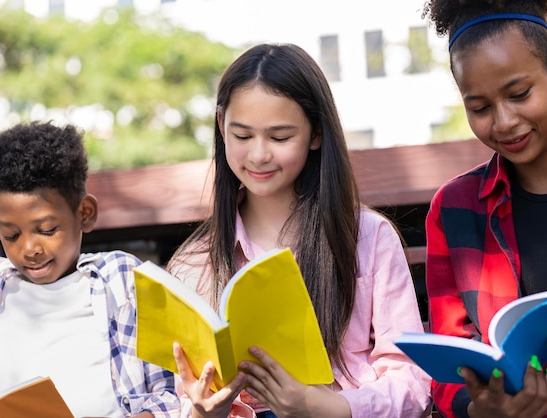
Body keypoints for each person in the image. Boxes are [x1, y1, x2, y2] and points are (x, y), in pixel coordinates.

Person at [166, 43, 432, 418]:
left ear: (316, 134)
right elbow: (183, 397)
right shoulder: (195, 263)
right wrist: (203, 412)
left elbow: (413, 378)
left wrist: (332, 408)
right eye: (242, 136)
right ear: (221, 126)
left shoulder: (367, 238)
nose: (258, 155)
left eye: (279, 137)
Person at [421, 0, 547, 417]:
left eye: (519, 94)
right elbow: (451, 363)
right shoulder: (455, 209)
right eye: (479, 108)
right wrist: (483, 408)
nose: (502, 122)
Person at [0, 121, 180, 417]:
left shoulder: (121, 280)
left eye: (46, 230)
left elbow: (167, 392)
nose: (29, 248)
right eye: (11, 235)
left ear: (85, 213)